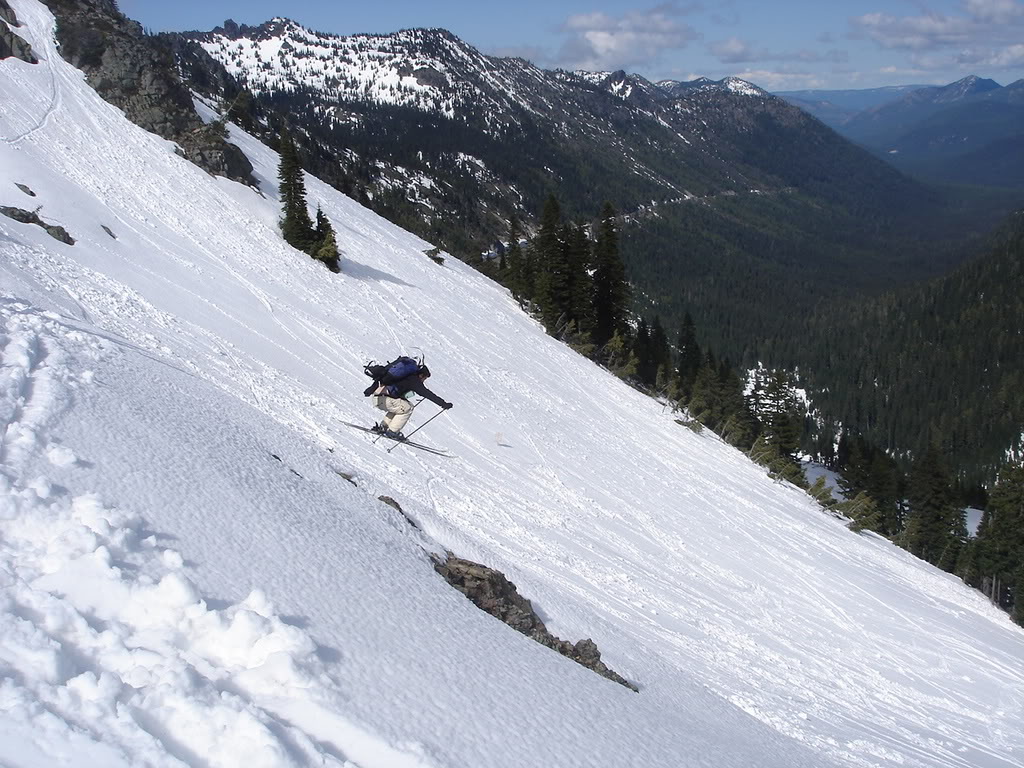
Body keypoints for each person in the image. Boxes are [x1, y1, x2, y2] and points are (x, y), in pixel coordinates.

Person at [365, 364, 452, 440]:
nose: (423, 381)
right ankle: (393, 431)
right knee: (408, 408)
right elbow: (427, 393)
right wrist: (443, 404)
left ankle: (384, 427)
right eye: (424, 378)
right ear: (421, 375)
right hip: (384, 399)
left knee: (401, 406)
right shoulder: (414, 380)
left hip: (378, 397)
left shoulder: (405, 376)